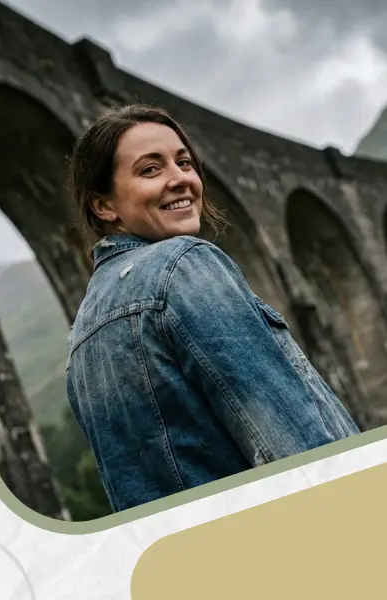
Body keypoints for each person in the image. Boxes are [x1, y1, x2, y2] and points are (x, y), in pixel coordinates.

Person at [65, 104, 359, 513]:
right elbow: (297, 450)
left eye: (183, 162)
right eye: (151, 169)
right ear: (104, 206)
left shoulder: (81, 335)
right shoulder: (185, 264)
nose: (180, 179)